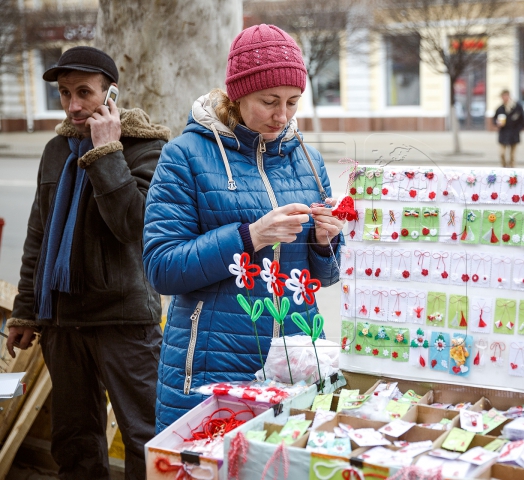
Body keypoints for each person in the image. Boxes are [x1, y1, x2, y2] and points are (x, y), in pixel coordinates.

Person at [143, 24, 345, 432]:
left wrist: (326, 244)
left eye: (292, 102)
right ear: (237, 94)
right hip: (210, 366)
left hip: (295, 361)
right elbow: (162, 268)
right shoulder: (184, 156)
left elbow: (323, 277)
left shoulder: (307, 160)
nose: (282, 116)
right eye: (269, 101)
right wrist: (249, 237)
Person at [5, 47, 170, 479]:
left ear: (110, 93)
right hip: (62, 320)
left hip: (123, 319)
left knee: (145, 436)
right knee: (75, 440)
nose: (74, 105)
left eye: (85, 92)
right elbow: (38, 234)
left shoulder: (147, 147)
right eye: (64, 93)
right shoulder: (56, 149)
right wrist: (25, 310)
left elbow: (132, 225)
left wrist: (107, 151)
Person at [493, 89, 524, 168]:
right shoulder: (500, 108)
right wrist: (497, 123)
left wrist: (518, 129)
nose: (505, 98)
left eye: (506, 96)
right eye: (503, 97)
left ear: (509, 96)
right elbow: (494, 119)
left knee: (512, 156)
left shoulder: (517, 107)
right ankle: (504, 167)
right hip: (503, 133)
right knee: (502, 153)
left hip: (514, 133)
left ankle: (512, 170)